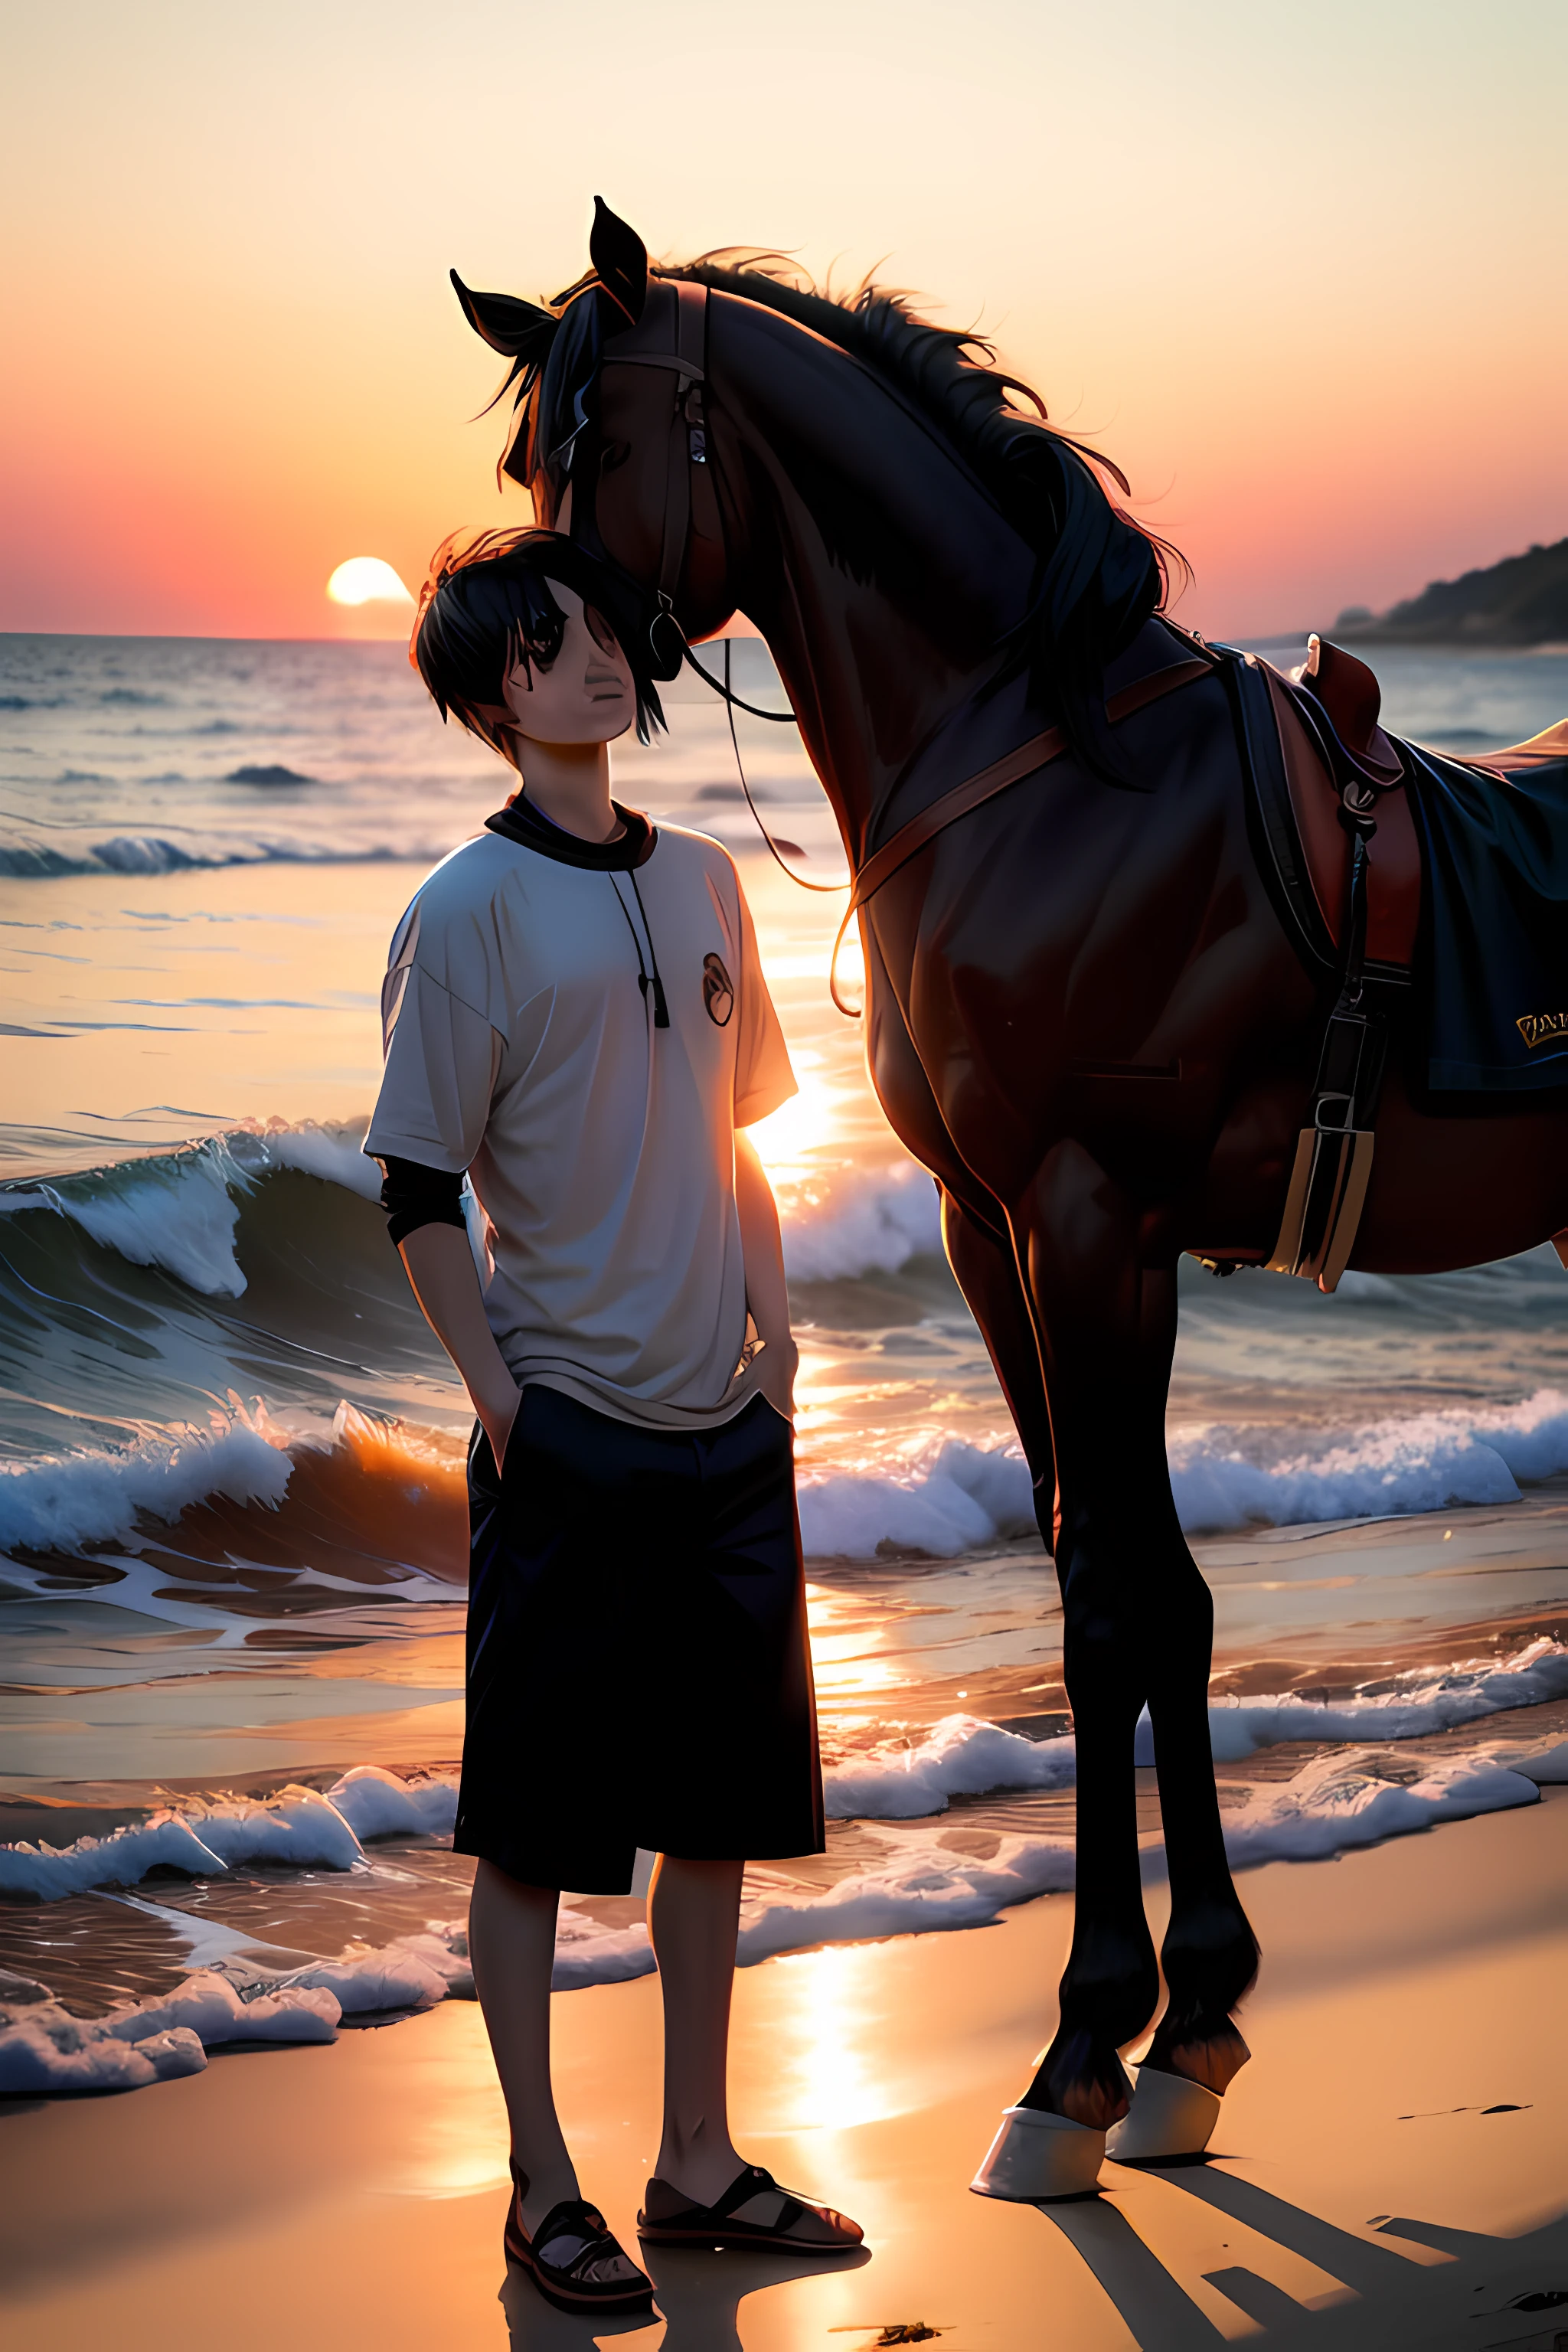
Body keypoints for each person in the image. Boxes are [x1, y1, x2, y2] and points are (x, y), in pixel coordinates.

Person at [364, 527, 864, 2317]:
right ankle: (541, 2184)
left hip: (726, 1424)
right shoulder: (465, 914)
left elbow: (743, 1132)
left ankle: (697, 2166)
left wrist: (781, 1341)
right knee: (537, 1833)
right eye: (555, 642)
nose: (603, 660)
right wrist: (502, 1410)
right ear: (497, 689)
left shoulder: (711, 882)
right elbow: (417, 1189)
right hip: (568, 1430)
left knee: (716, 1819)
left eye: (602, 632)